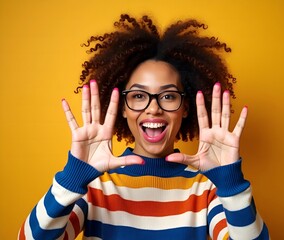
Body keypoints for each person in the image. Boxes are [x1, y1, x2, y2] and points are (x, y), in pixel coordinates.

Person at [18, 14, 270, 240]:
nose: (153, 108)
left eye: (169, 96)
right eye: (138, 96)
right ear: (123, 108)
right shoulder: (95, 185)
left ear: (185, 107)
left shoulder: (207, 188)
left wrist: (231, 183)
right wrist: (72, 177)